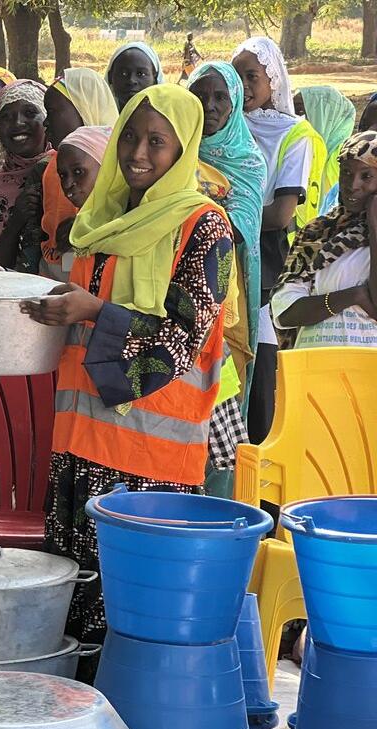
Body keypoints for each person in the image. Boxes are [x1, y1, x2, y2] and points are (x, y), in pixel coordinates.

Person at [21, 84, 233, 662]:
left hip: (150, 466)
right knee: (72, 614)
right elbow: (84, 308)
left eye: (157, 141)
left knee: (133, 626)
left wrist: (91, 310)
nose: (139, 153)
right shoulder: (101, 220)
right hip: (79, 448)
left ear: (183, 148)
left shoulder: (204, 228)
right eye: (131, 138)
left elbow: (182, 334)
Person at [233, 36, 325, 444]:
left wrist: (226, 213)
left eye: (252, 76)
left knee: (262, 356)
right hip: (232, 245)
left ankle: (262, 456)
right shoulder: (229, 126)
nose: (244, 86)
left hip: (268, 255)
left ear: (274, 78)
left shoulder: (295, 134)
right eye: (237, 77)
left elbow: (281, 213)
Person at [188, 61, 268, 496]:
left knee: (222, 408)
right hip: (178, 298)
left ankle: (219, 512)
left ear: (236, 102)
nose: (211, 105)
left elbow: (238, 227)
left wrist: (193, 208)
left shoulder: (248, 161)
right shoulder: (175, 148)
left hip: (227, 302)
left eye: (221, 97)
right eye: (201, 95)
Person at [273, 131, 377, 348]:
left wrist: (375, 228)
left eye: (366, 176)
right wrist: (354, 296)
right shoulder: (317, 232)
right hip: (315, 368)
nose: (353, 184)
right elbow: (284, 312)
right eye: (346, 173)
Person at [41, 68, 118, 279]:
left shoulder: (118, 166)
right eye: (64, 175)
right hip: (53, 273)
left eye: (52, 112)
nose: (46, 123)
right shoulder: (50, 166)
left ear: (84, 107)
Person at [0, 79, 52, 272]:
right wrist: (16, 219)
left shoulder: (66, 170)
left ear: (47, 120)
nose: (17, 123)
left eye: (29, 113)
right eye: (6, 116)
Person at [48, 125, 111, 262]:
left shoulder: (126, 226)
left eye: (78, 172)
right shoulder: (74, 229)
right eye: (63, 175)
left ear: (107, 168)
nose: (67, 184)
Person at [296, 86, 357, 213]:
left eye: (301, 111)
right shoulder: (298, 150)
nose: (294, 118)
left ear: (323, 115)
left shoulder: (348, 160)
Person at [106, 41, 164, 110]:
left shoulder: (166, 119)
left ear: (155, 78)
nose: (131, 80)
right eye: (123, 74)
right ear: (110, 77)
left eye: (141, 74)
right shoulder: (96, 117)